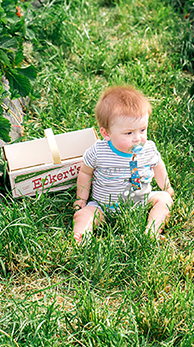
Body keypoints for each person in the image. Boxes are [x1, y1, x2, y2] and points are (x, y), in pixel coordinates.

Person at [72, 85, 174, 242]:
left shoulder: (148, 149)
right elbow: (85, 172)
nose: (138, 138)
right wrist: (81, 198)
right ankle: (81, 236)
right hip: (104, 207)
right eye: (129, 133)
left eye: (142, 130)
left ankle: (152, 231)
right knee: (85, 214)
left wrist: (166, 186)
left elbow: (158, 165)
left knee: (165, 199)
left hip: (141, 201)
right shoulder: (99, 152)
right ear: (106, 133)